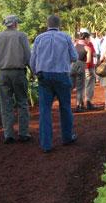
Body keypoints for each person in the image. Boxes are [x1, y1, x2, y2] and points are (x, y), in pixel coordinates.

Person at [30, 15, 78, 153]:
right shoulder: (66, 37)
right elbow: (74, 57)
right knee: (65, 107)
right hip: (62, 75)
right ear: (59, 25)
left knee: (45, 110)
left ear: (47, 24)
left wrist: (34, 72)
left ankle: (46, 144)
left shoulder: (39, 38)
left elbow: (33, 59)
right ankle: (67, 137)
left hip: (44, 76)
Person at [0, 15, 31, 144]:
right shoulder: (21, 35)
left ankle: (8, 134)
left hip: (2, 73)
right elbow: (28, 55)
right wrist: (33, 71)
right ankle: (24, 133)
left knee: (5, 104)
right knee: (22, 102)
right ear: (15, 23)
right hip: (18, 72)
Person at [71, 30, 89, 112]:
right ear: (85, 38)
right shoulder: (87, 48)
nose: (89, 40)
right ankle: (79, 105)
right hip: (81, 66)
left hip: (72, 66)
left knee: (70, 87)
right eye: (88, 39)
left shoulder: (75, 45)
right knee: (80, 87)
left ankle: (66, 104)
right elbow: (88, 60)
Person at [81, 28, 98, 110]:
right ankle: (88, 101)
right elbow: (94, 54)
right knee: (89, 85)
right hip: (88, 67)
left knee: (81, 85)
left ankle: (80, 103)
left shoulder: (77, 43)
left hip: (80, 67)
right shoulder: (89, 44)